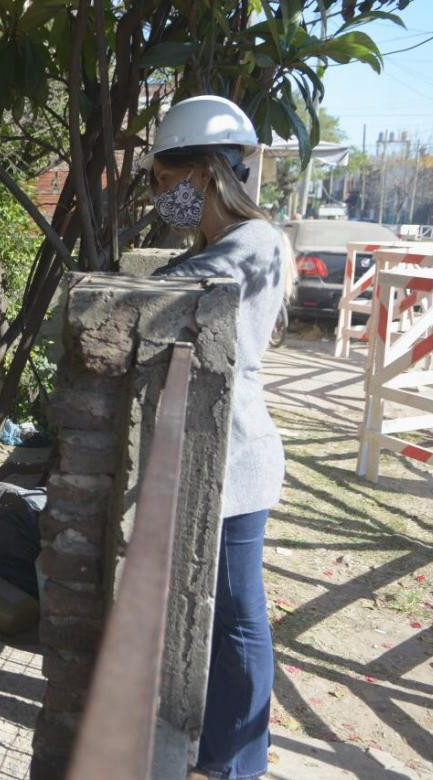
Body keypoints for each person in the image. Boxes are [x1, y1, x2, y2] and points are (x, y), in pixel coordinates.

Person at [141, 95, 289, 780]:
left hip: (235, 455)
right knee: (226, 614)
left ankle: (228, 762)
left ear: (203, 174)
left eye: (167, 184)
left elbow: (173, 293)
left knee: (237, 618)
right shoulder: (220, 243)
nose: (162, 199)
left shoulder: (250, 244)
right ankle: (237, 761)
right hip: (216, 448)